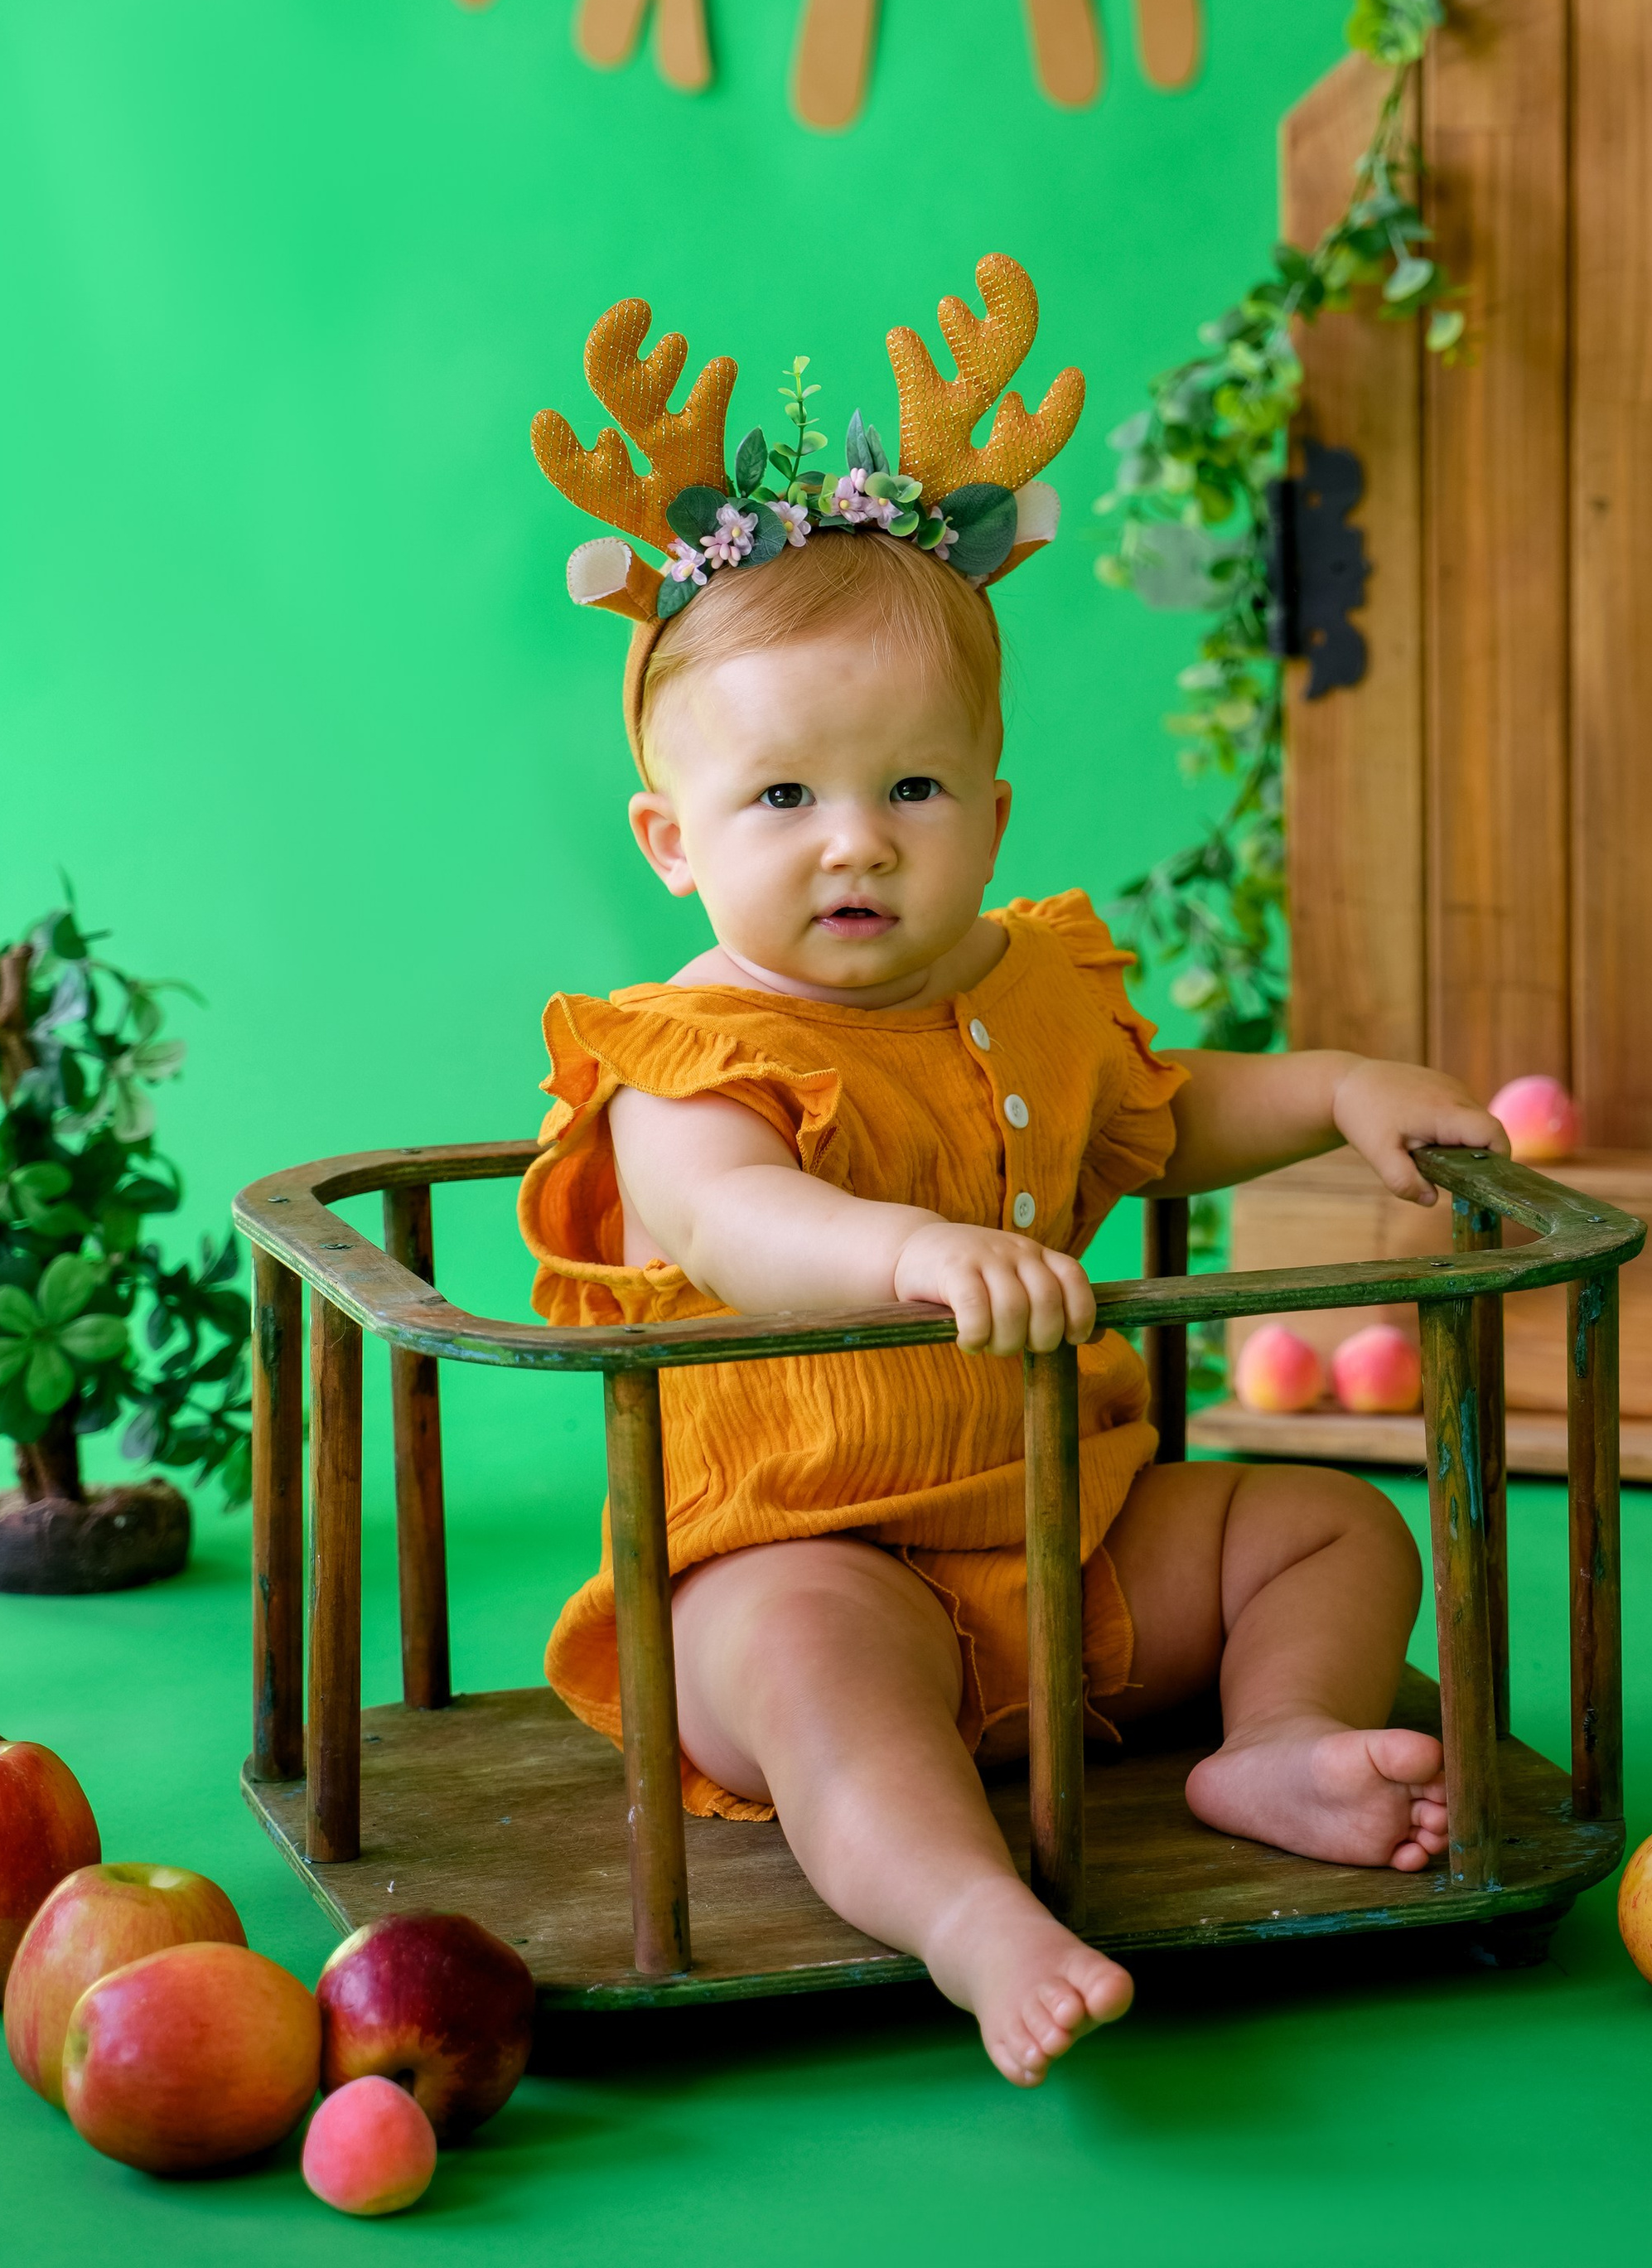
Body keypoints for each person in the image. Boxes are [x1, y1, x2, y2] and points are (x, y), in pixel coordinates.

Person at [520, 262, 1503, 2086]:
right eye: (781, 800)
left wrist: (1338, 1085)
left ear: (991, 810)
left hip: (1069, 1526)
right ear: (669, 838)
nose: (853, 846)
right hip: (805, 1546)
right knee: (817, 1689)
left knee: (1326, 1524)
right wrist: (904, 1247)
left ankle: (1271, 1746)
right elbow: (741, 1225)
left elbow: (1165, 1110)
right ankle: (966, 1912)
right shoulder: (671, 1060)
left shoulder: (1032, 984)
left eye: (910, 789)